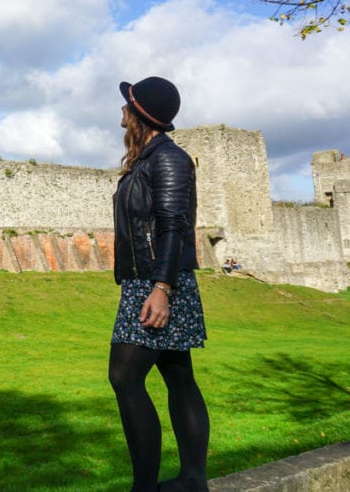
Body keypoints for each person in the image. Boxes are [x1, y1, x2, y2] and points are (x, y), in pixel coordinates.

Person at [109, 76, 210, 492]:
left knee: (125, 378)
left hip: (158, 283)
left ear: (140, 114)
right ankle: (192, 480)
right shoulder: (147, 158)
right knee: (178, 375)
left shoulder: (167, 158)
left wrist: (161, 288)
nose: (120, 113)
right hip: (151, 280)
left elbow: (173, 225)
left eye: (126, 106)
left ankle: (145, 487)